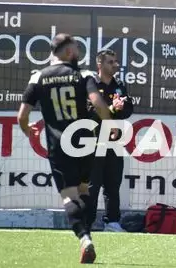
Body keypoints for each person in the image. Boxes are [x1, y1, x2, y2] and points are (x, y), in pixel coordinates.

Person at [17, 33, 113, 264]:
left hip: (59, 144)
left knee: (69, 197)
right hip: (84, 140)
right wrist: (110, 125)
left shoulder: (38, 77)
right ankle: (87, 234)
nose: (78, 53)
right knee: (84, 190)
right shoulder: (83, 75)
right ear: (69, 52)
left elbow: (22, 116)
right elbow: (99, 104)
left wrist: (28, 130)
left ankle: (84, 238)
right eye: (77, 49)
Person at [84, 49, 134, 233]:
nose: (115, 65)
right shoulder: (90, 84)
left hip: (114, 141)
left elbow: (129, 110)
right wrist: (112, 107)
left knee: (113, 183)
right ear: (100, 64)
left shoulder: (119, 85)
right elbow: (90, 111)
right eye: (110, 62)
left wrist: (122, 107)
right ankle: (86, 223)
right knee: (92, 185)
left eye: (116, 61)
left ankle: (112, 222)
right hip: (93, 141)